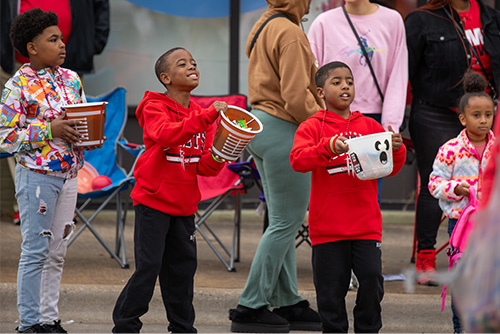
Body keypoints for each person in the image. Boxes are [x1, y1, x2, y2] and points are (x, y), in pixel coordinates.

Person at [112, 47, 228, 333]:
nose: (192, 66)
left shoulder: (203, 115)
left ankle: (182, 327)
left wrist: (224, 151)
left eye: (194, 62)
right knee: (149, 267)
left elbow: (204, 166)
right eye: (183, 63)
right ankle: (125, 325)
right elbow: (163, 134)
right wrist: (207, 118)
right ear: (165, 77)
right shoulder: (154, 107)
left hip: (184, 204)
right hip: (153, 201)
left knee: (182, 270)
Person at [0, 8, 101, 333]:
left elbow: (79, 122)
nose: (62, 44)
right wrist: (49, 130)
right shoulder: (17, 86)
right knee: (36, 251)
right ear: (31, 47)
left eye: (61, 38)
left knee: (56, 251)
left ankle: (48, 319)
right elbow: (6, 137)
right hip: (37, 178)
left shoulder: (71, 79)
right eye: (53, 39)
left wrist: (90, 136)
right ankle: (28, 324)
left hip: (69, 176)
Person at [228, 0, 324, 333]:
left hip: (261, 127)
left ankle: (288, 299)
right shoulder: (291, 32)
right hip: (285, 129)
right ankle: (250, 306)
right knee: (287, 220)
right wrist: (325, 123)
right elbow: (297, 97)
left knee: (281, 219)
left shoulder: (265, 24)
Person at [289, 61, 406, 333]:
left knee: (372, 282)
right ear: (320, 92)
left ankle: (368, 329)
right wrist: (327, 146)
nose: (345, 86)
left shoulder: (370, 125)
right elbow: (297, 160)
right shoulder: (311, 126)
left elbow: (389, 169)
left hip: (366, 226)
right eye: (337, 81)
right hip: (327, 229)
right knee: (330, 293)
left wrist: (397, 149)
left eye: (349, 81)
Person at [405, 0, 500, 285]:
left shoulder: (489, 16)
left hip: (484, 110)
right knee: (435, 183)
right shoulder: (421, 19)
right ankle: (425, 258)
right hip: (435, 110)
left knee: (488, 182)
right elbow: (406, 71)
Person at [428, 72, 496, 333]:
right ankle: (461, 328)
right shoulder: (450, 150)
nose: (483, 121)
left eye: (488, 115)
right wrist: (455, 188)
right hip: (461, 224)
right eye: (476, 115)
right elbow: (434, 183)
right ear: (462, 118)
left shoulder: (497, 148)